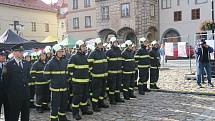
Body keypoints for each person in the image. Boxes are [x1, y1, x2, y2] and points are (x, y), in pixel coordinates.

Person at [3, 44, 31, 121]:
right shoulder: (8, 65)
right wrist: (10, 95)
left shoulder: (26, 63)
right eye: (19, 51)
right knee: (14, 115)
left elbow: (28, 77)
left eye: (22, 51)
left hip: (25, 94)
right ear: (14, 53)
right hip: (14, 96)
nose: (21, 53)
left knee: (25, 115)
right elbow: (5, 82)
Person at [68, 40, 93, 120]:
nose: (84, 48)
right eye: (83, 46)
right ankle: (75, 113)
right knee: (77, 98)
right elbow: (70, 69)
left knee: (84, 97)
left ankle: (84, 110)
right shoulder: (74, 57)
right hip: (77, 82)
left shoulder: (86, 57)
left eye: (84, 46)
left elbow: (88, 68)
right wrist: (75, 78)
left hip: (85, 81)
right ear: (78, 48)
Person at [44, 44, 70, 121]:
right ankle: (54, 119)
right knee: (55, 106)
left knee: (63, 105)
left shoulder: (65, 62)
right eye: (59, 52)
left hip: (64, 88)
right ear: (55, 52)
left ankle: (62, 118)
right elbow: (46, 76)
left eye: (62, 51)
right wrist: (53, 82)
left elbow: (67, 73)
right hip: (55, 89)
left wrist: (66, 80)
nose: (61, 53)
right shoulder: (50, 63)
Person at [88, 38, 109, 112]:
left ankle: (101, 103)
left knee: (102, 91)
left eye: (101, 44)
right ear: (96, 45)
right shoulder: (92, 54)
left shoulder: (103, 53)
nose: (101, 45)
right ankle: (95, 106)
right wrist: (93, 73)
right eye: (99, 44)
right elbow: (89, 66)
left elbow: (105, 64)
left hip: (103, 76)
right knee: (96, 92)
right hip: (96, 77)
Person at [106, 37, 125, 105]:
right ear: (111, 43)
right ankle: (112, 99)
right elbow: (106, 63)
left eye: (116, 42)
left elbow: (121, 61)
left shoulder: (119, 51)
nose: (116, 44)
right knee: (112, 87)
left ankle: (117, 98)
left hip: (118, 72)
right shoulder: (108, 52)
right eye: (114, 42)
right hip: (112, 73)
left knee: (118, 86)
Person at [0, 50, 9, 121]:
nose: (4, 57)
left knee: (8, 110)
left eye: (4, 55)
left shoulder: (6, 65)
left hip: (6, 91)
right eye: (2, 55)